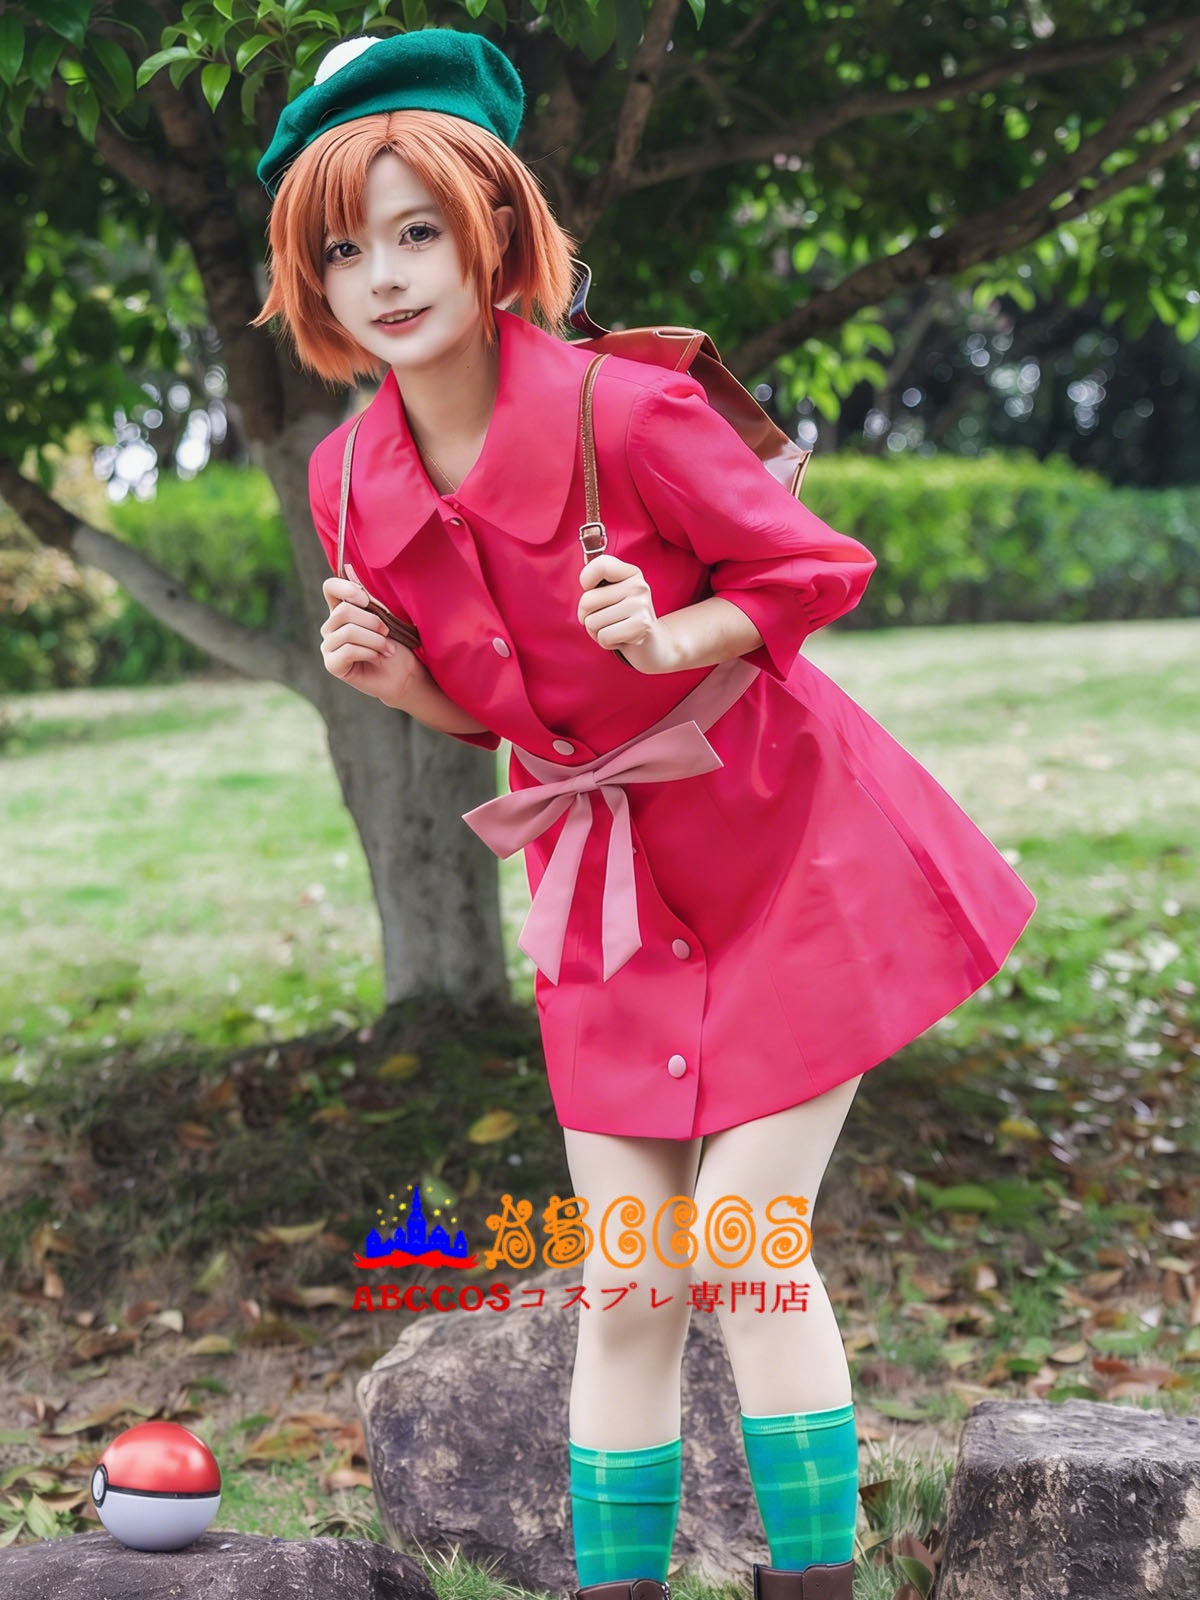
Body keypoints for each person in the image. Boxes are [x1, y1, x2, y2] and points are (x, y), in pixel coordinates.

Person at [253, 29, 1037, 1600]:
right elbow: (508, 714)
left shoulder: (628, 411)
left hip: (786, 847)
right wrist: (400, 685)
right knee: (629, 1286)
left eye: (418, 232)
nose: (384, 277)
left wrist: (678, 638)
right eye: (343, 250)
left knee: (744, 1246)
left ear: (494, 232)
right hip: (601, 886)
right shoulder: (349, 485)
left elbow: (816, 568)